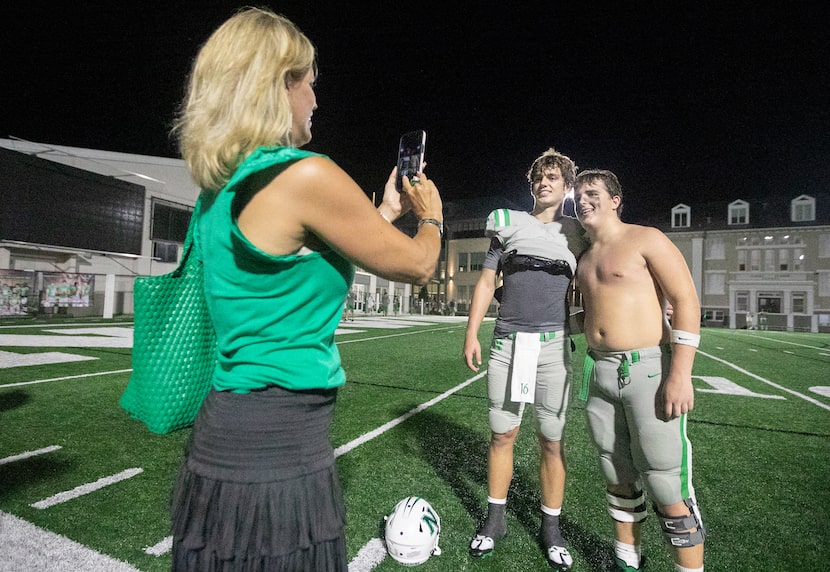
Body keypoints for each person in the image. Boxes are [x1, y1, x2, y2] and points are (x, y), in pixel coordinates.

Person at [168, 8, 443, 571]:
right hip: (279, 450)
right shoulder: (304, 174)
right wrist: (431, 218)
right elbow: (417, 266)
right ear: (278, 84)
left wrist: (384, 212)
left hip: (221, 439)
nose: (316, 98)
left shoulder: (216, 193)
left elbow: (295, 257)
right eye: (309, 82)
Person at [572, 169, 705, 572]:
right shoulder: (585, 257)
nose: (583, 200)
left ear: (616, 199)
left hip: (648, 369)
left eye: (592, 192)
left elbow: (685, 299)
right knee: (616, 473)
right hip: (599, 372)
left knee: (666, 482)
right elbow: (591, 317)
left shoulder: (646, 238)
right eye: (578, 195)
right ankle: (627, 559)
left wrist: (680, 373)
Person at [462, 148, 589, 570]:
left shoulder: (579, 234)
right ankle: (495, 519)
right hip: (508, 343)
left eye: (553, 177)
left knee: (552, 440)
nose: (543, 182)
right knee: (502, 435)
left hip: (553, 347)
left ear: (567, 186)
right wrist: (471, 333)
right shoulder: (508, 223)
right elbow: (485, 281)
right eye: (538, 177)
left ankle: (550, 528)